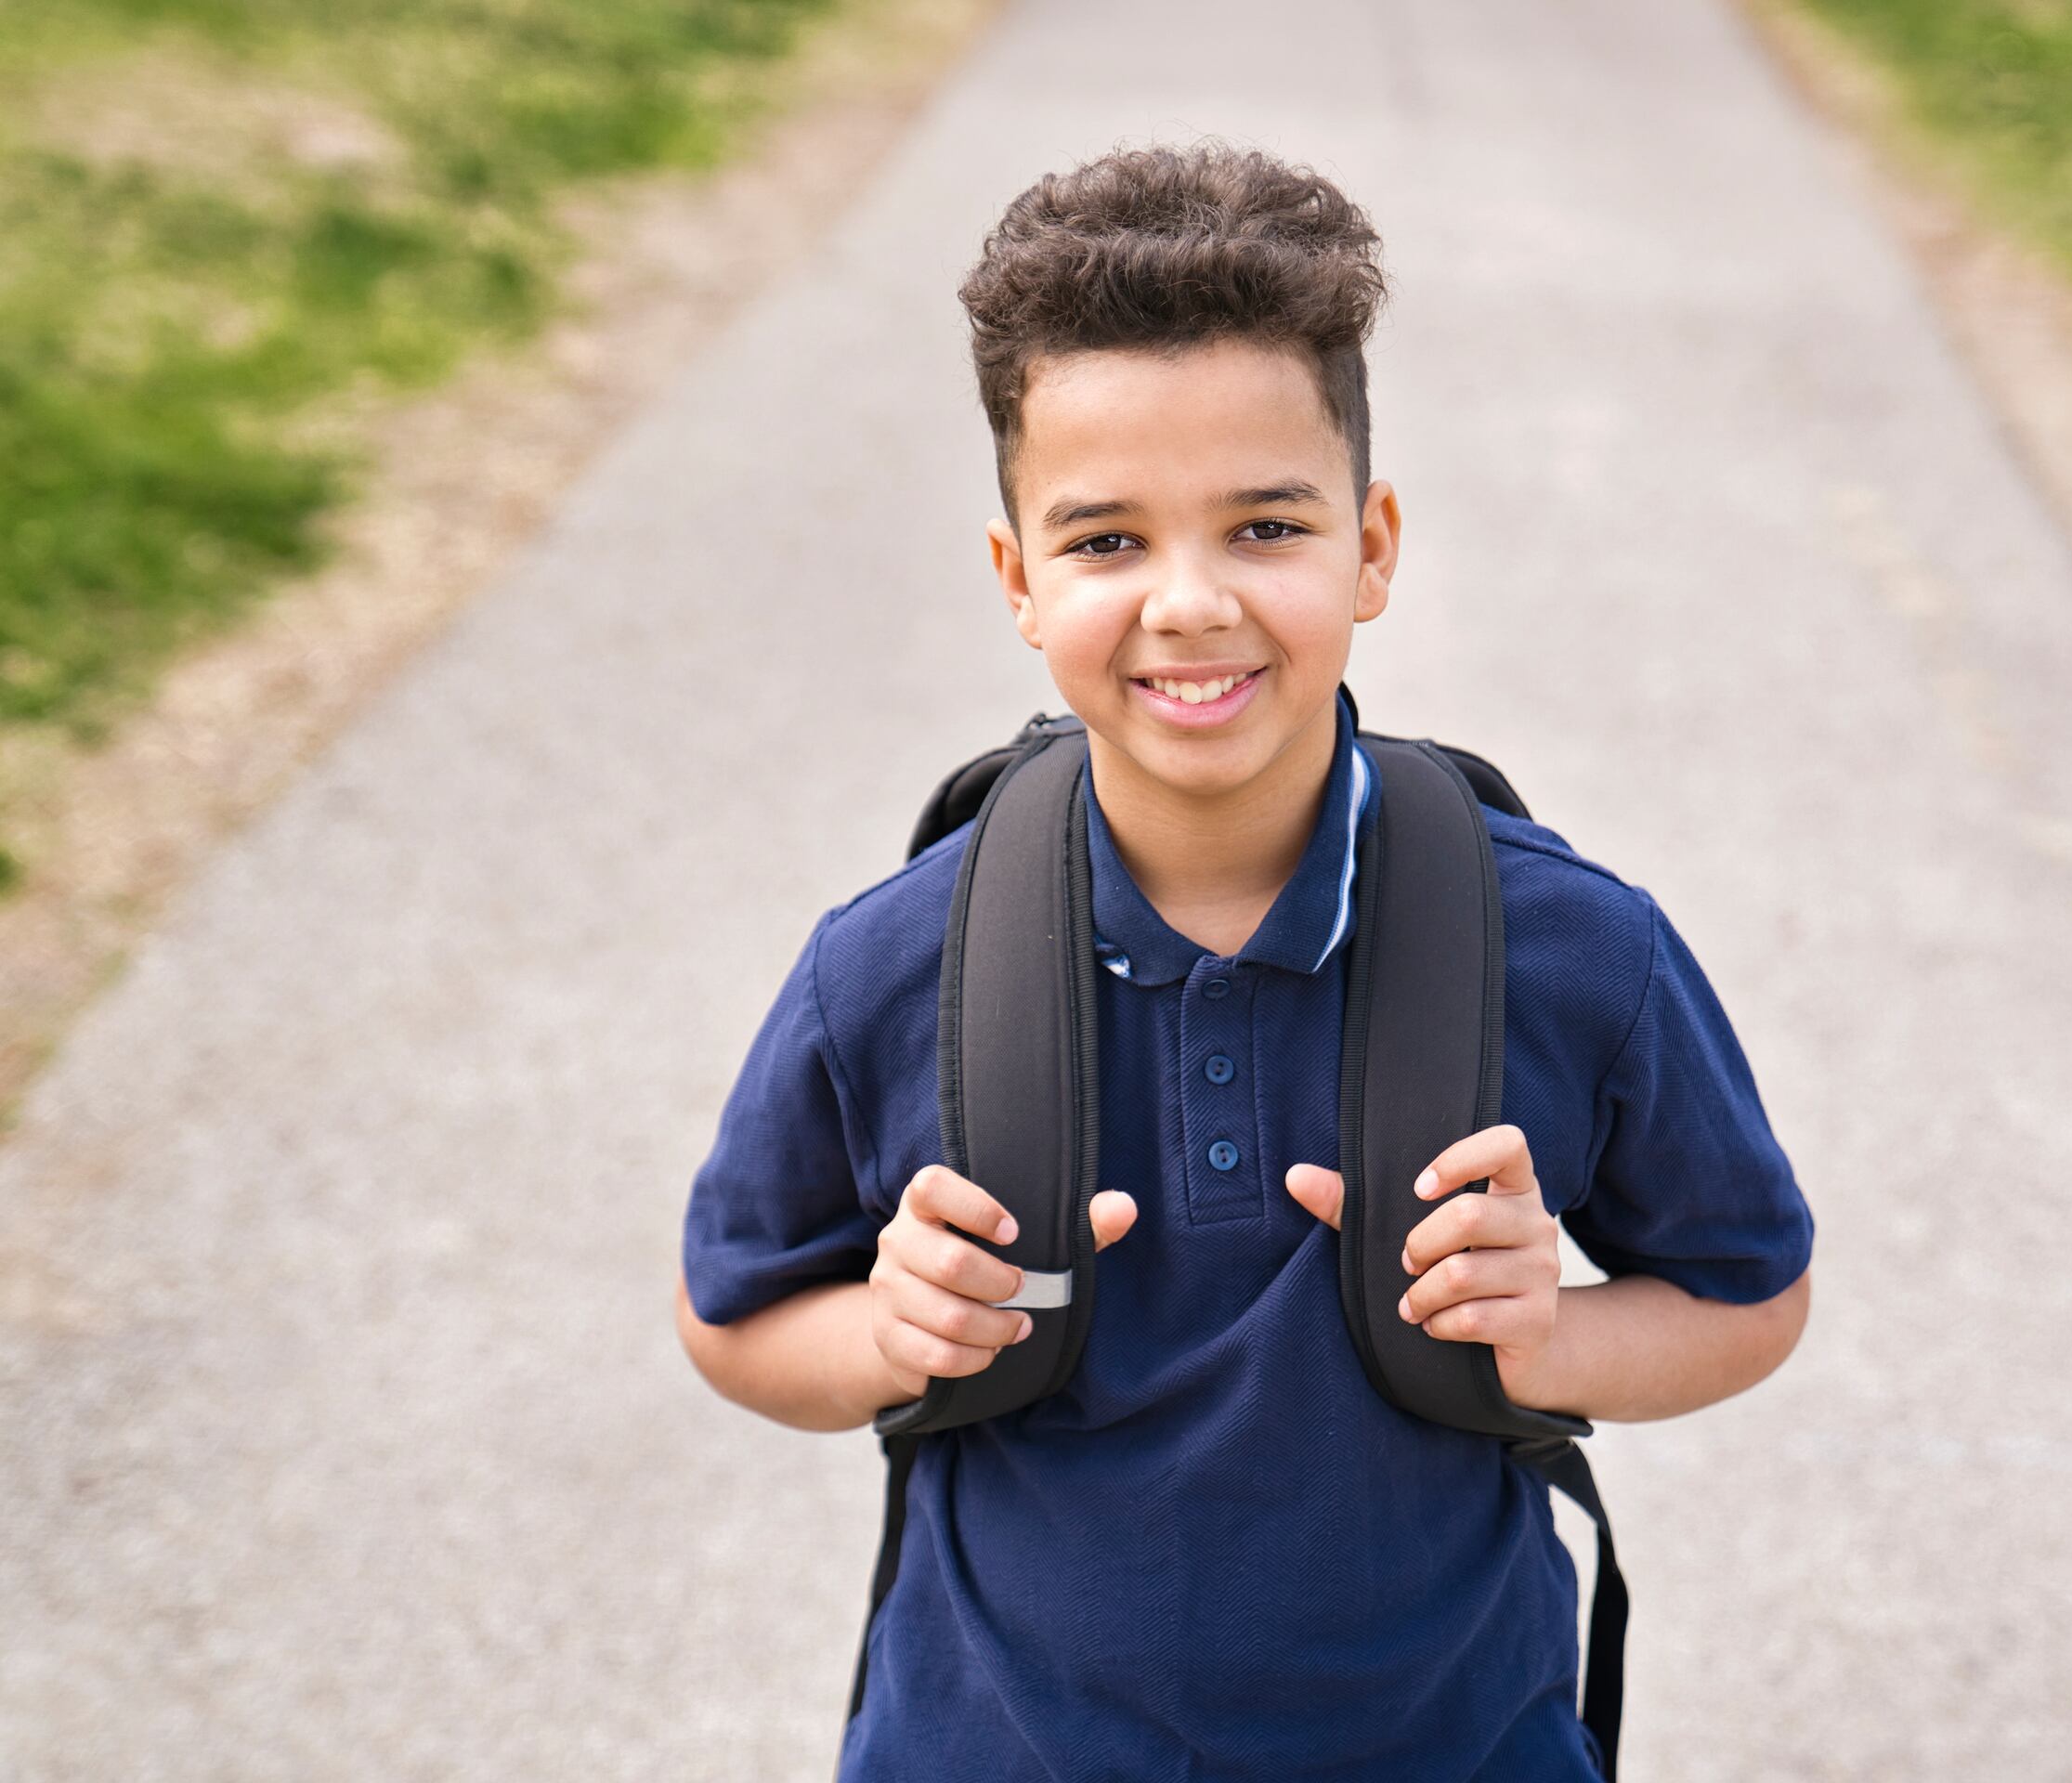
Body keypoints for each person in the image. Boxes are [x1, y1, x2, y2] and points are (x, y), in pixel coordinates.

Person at [673, 137, 1815, 1782]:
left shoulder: (1577, 952)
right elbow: (735, 1321)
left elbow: (1748, 1297)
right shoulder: (888, 967)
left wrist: (1551, 1335)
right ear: (1017, 578)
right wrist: (889, 1335)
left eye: (1266, 524)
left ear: (1373, 545)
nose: (1192, 603)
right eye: (1106, 541)